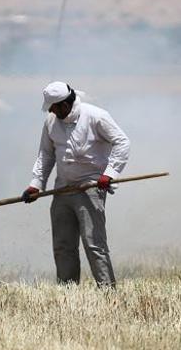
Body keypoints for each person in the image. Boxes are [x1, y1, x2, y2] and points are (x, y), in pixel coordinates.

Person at [22, 81, 130, 288]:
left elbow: (122, 142)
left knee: (94, 244)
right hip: (62, 189)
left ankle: (107, 291)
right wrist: (36, 184)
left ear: (64, 104)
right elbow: (46, 154)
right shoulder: (51, 121)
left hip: (90, 188)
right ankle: (67, 291)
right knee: (63, 245)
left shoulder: (96, 116)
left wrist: (109, 173)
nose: (51, 111)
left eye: (54, 107)